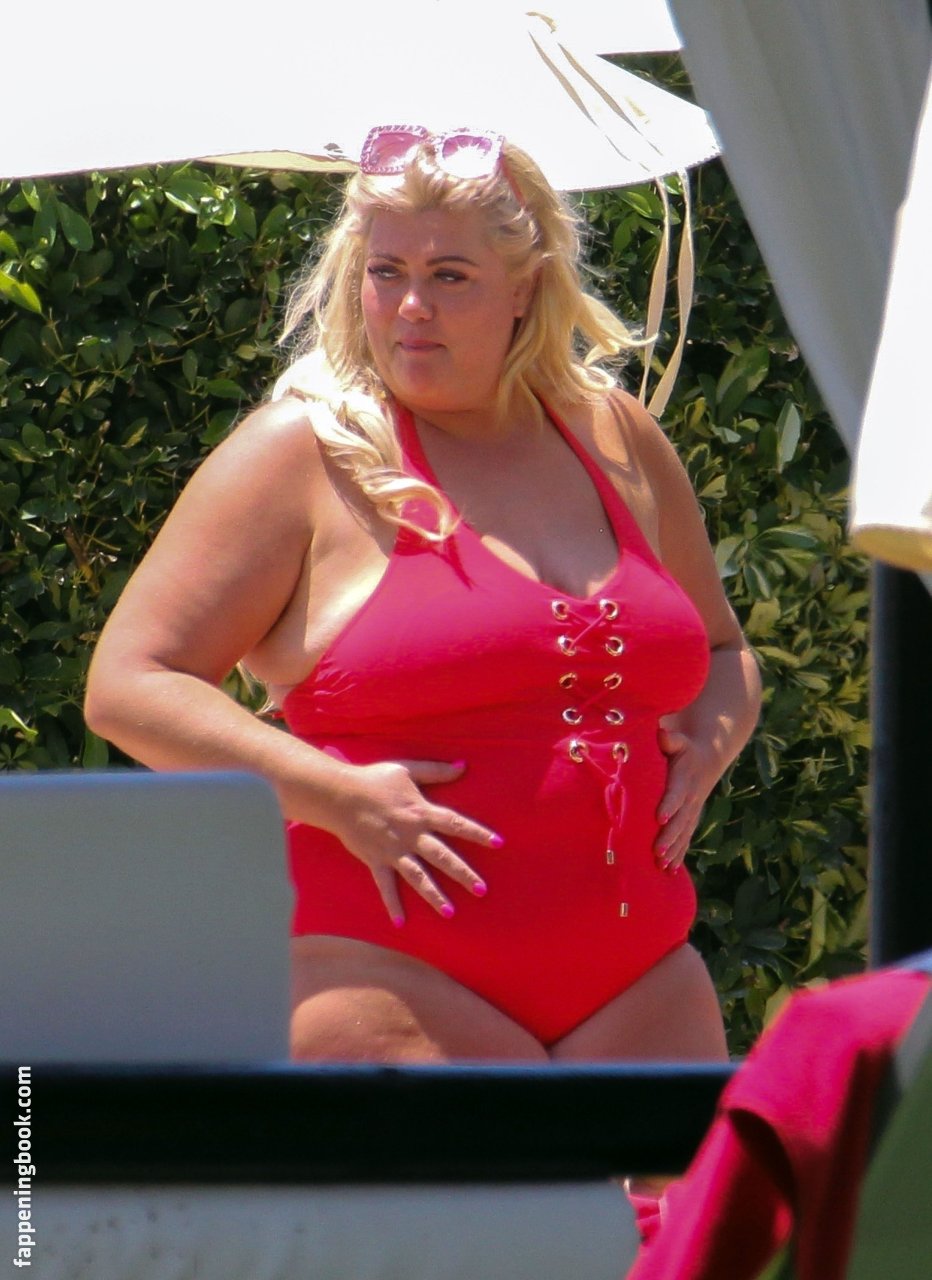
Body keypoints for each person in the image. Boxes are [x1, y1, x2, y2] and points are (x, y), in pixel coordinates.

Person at [85, 126, 761, 1073]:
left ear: (525, 287)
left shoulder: (617, 435)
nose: (410, 306)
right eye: (385, 271)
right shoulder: (301, 454)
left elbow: (725, 652)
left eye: (450, 276)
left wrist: (712, 744)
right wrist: (337, 796)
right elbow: (128, 686)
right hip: (383, 981)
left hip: (643, 986)